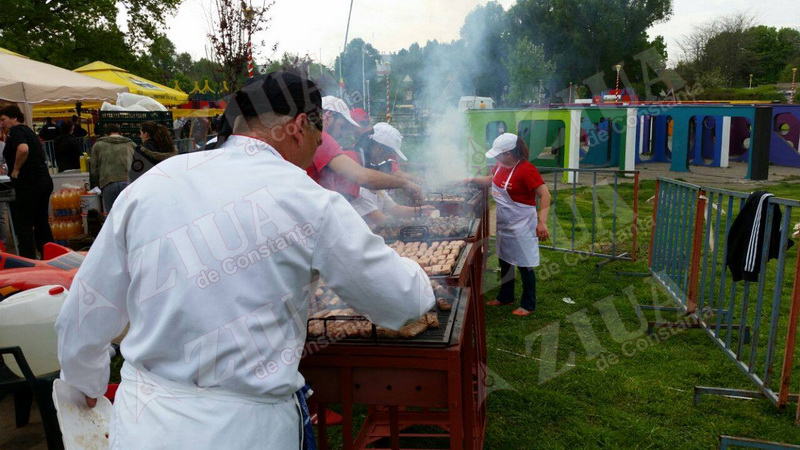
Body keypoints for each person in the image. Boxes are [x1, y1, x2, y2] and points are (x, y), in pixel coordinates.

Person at [55, 71, 434, 449]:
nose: (318, 147)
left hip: (146, 424)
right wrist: (417, 273)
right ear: (300, 125)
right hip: (248, 430)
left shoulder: (151, 184)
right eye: (319, 136)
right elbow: (403, 301)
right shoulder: (309, 199)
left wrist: (85, 379)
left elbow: (85, 308)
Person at [468, 133, 551, 317]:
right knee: (504, 259)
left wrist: (542, 222)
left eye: (499, 154)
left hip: (523, 223)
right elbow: (491, 181)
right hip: (505, 221)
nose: (496, 157)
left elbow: (545, 195)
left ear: (509, 154)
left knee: (524, 263)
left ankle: (528, 303)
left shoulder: (527, 170)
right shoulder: (500, 165)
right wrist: (471, 180)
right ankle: (506, 296)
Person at [306, 96, 423, 203]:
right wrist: (405, 183)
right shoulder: (321, 138)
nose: (342, 134)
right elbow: (363, 177)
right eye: (341, 126)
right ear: (328, 116)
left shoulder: (311, 137)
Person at [350, 123, 434, 226]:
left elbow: (394, 209)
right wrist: (412, 224)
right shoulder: (360, 182)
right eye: (390, 153)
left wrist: (421, 210)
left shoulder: (375, 180)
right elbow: (381, 220)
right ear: (378, 148)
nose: (388, 158)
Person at [0, 105, 54, 259]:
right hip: (42, 180)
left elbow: (23, 149)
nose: (1, 123)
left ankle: (28, 259)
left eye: (3, 119)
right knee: (41, 222)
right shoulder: (29, 131)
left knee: (23, 225)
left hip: (29, 184)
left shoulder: (16, 131)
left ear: (14, 118)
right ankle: (48, 256)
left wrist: (16, 169)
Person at [90, 124, 134, 211]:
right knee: (128, 215)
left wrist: (96, 185)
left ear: (106, 135)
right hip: (128, 183)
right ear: (120, 133)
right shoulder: (131, 144)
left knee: (112, 216)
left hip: (108, 183)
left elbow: (93, 169)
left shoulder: (98, 145)